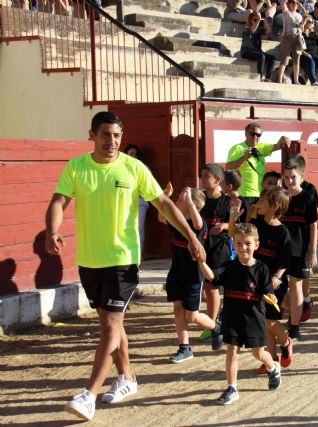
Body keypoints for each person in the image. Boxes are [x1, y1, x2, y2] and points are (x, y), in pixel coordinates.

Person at [46, 112, 205, 421]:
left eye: (117, 135)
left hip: (123, 261)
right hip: (90, 261)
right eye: (106, 135)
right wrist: (53, 230)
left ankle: (88, 395)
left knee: (109, 326)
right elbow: (58, 201)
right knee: (113, 325)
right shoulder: (76, 167)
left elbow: (165, 204)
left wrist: (191, 237)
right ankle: (128, 378)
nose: (112, 141)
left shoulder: (134, 168)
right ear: (92, 135)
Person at [204, 223, 282, 405]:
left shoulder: (262, 269)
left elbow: (269, 292)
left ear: (256, 245)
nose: (243, 247)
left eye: (247, 243)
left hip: (254, 318)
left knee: (258, 353)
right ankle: (232, 388)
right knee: (231, 352)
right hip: (232, 317)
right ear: (233, 244)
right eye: (238, 244)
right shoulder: (229, 266)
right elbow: (212, 276)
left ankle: (273, 368)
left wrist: (272, 296)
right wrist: (201, 261)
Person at [228, 187, 295, 371]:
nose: (259, 204)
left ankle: (286, 342)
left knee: (269, 320)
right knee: (263, 320)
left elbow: (284, 262)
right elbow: (236, 233)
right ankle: (272, 359)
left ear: (275, 206)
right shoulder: (257, 224)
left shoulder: (283, 232)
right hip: (256, 280)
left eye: (263, 202)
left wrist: (276, 277)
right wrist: (239, 214)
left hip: (274, 282)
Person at [159, 187, 217, 362]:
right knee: (178, 310)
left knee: (191, 316)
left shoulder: (199, 225)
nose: (176, 202)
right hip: (176, 272)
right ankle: (184, 348)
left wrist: (190, 202)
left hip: (193, 277)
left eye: (180, 200)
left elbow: (198, 224)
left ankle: (217, 327)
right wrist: (166, 197)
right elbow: (162, 217)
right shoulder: (177, 221)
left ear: (191, 206)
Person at [281, 157, 318, 341]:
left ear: (302, 177)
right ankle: (289, 313)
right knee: (277, 287)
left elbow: (313, 226)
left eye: (293, 177)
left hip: (300, 250)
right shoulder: (280, 196)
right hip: (280, 249)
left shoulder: (308, 198)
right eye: (286, 177)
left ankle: (294, 327)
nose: (289, 181)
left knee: (296, 287)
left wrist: (312, 251)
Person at [198, 164, 232, 349]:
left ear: (217, 180)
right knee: (207, 287)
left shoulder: (228, 201)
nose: (202, 179)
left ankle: (213, 324)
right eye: (202, 176)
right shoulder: (200, 197)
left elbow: (237, 226)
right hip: (203, 247)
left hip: (220, 249)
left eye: (205, 176)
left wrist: (224, 226)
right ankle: (214, 322)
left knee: (213, 286)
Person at [226, 122, 291, 203]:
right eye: (252, 134)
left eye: (258, 135)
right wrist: (244, 158)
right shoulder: (237, 148)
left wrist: (283, 138)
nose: (255, 137)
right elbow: (228, 168)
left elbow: (279, 146)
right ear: (246, 134)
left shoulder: (261, 147)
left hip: (261, 194)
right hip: (244, 194)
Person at [123, 144, 149, 251]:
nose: (134, 156)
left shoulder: (143, 167)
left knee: (139, 228)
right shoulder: (120, 167)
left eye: (136, 154)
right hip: (125, 201)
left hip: (140, 201)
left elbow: (148, 185)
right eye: (131, 154)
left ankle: (139, 253)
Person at [241, 12, 276, 81]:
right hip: (246, 51)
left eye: (257, 20)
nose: (256, 21)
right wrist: (259, 20)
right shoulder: (246, 29)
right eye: (254, 20)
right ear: (250, 20)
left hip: (257, 51)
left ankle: (268, 78)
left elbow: (269, 31)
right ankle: (259, 77)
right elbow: (253, 30)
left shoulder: (259, 29)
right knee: (261, 56)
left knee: (272, 58)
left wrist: (265, 20)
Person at [276, 0, 304, 84]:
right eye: (293, 2)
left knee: (296, 60)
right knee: (285, 58)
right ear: (289, 4)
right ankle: (279, 79)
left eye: (296, 3)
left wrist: (301, 25)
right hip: (287, 36)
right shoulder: (286, 12)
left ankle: (296, 80)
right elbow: (282, 3)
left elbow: (302, 28)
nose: (295, 4)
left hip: (298, 37)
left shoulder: (299, 15)